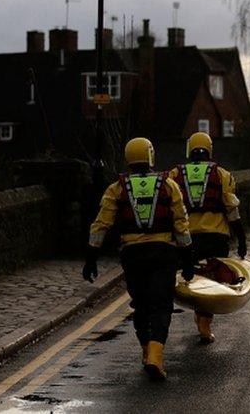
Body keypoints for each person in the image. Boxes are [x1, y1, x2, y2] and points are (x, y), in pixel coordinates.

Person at [83, 137, 194, 380]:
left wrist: (91, 257)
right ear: (151, 156)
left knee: (141, 304)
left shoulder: (116, 188)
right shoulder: (169, 185)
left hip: (132, 255)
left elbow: (101, 224)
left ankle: (145, 350)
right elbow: (181, 224)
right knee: (161, 304)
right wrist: (187, 258)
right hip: (163, 252)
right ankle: (156, 355)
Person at [168, 132, 246, 344]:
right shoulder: (222, 175)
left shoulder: (174, 175)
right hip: (216, 237)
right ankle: (204, 323)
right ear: (210, 150)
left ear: (189, 150)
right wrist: (241, 238)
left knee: (188, 276)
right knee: (210, 280)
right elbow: (232, 210)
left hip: (187, 239)